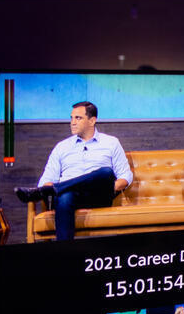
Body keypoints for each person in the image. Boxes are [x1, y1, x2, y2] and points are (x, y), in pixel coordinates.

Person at [13, 101, 134, 242]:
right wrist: (51, 187)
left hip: (98, 196)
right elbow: (47, 178)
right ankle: (66, 254)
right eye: (71, 118)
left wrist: (107, 186)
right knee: (64, 197)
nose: (72, 122)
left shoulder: (111, 143)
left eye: (78, 118)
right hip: (70, 198)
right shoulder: (62, 147)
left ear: (92, 120)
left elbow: (126, 176)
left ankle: (56, 189)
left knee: (105, 172)